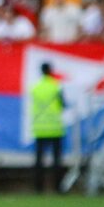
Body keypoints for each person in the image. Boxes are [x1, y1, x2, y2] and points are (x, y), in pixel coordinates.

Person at [31, 62, 66, 193]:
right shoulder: (56, 86)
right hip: (55, 128)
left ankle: (38, 188)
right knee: (57, 160)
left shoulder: (35, 88)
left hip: (39, 128)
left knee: (39, 160)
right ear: (51, 71)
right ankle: (57, 188)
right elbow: (63, 104)